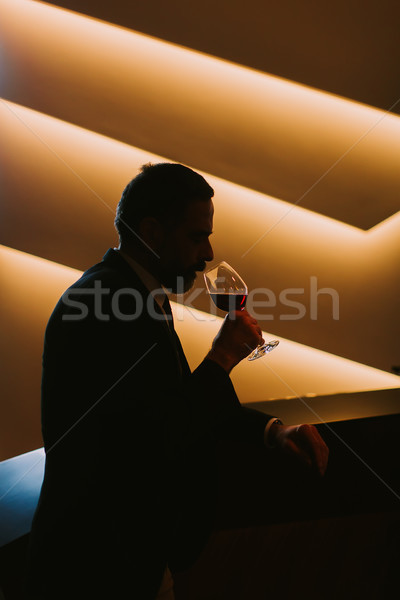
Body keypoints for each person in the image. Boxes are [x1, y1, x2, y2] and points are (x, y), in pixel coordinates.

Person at [25, 163, 329, 599]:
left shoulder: (136, 294)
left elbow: (179, 399)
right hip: (98, 568)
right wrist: (223, 356)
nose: (207, 253)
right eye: (196, 236)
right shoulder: (99, 303)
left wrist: (273, 432)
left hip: (138, 560)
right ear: (151, 231)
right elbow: (160, 429)